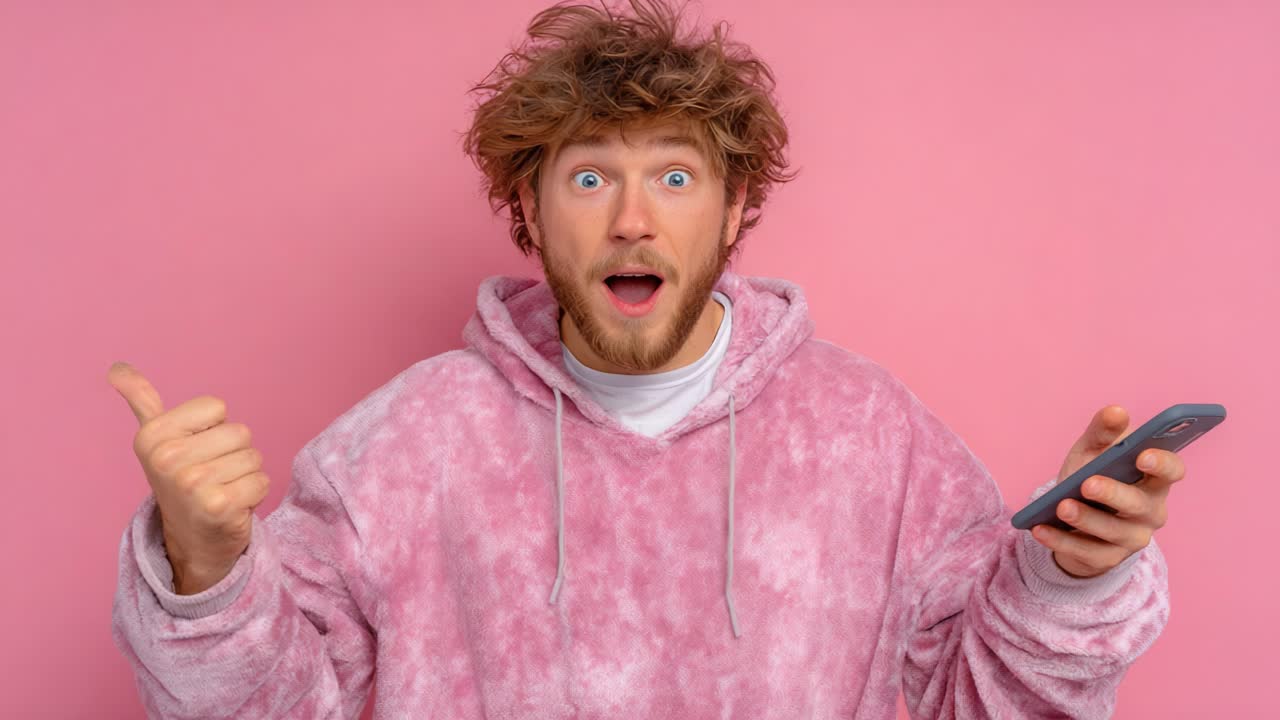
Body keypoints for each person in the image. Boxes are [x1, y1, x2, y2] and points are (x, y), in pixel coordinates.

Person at [109, 1, 1182, 717]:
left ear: (734, 210)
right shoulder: (405, 445)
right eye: (587, 180)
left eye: (674, 179)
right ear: (525, 209)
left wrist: (1067, 574)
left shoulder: (869, 436)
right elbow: (271, 705)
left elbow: (983, 698)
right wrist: (206, 570)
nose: (631, 220)